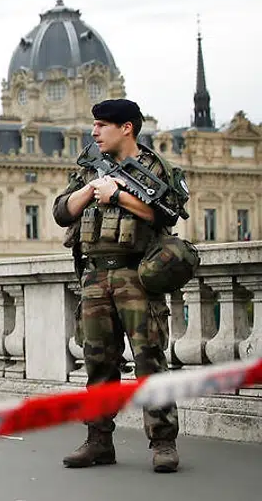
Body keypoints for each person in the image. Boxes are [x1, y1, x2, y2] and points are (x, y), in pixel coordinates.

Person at [53, 99, 186, 473]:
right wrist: (92, 189)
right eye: (94, 125)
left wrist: (118, 196)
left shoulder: (155, 169)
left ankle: (162, 442)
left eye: (101, 125)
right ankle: (98, 442)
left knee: (149, 361)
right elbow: (62, 212)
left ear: (126, 127)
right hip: (94, 275)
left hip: (136, 273)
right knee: (98, 362)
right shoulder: (88, 167)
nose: (94, 132)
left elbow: (167, 212)